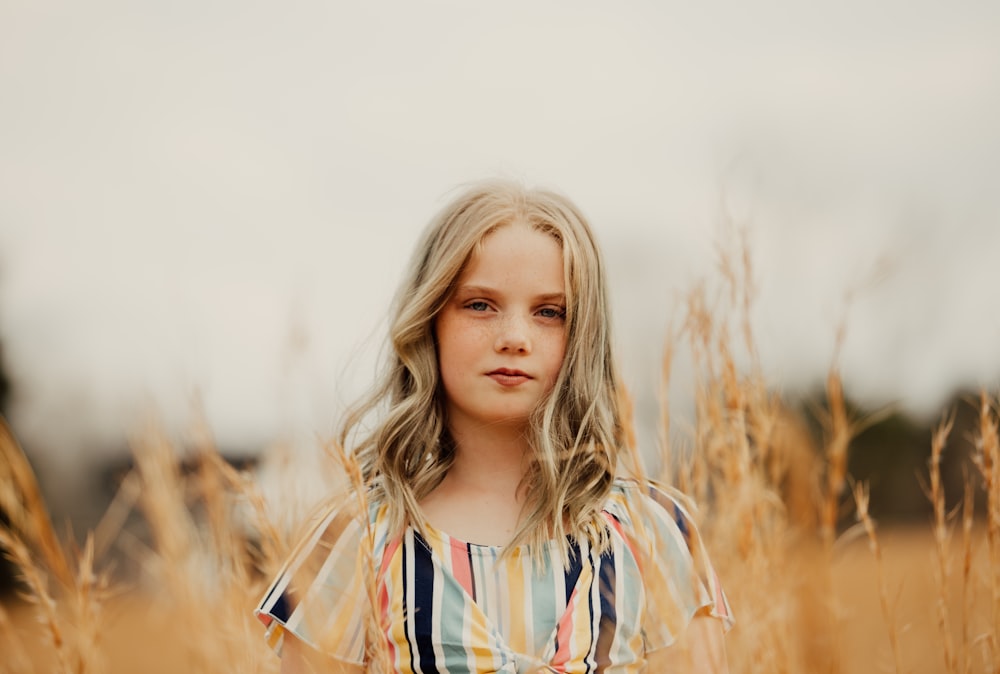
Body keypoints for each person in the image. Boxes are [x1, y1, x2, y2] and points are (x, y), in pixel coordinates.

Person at [255, 180, 733, 673]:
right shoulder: (357, 539)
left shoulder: (652, 530)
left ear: (585, 335)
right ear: (429, 318)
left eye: (550, 312)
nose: (514, 338)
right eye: (480, 305)